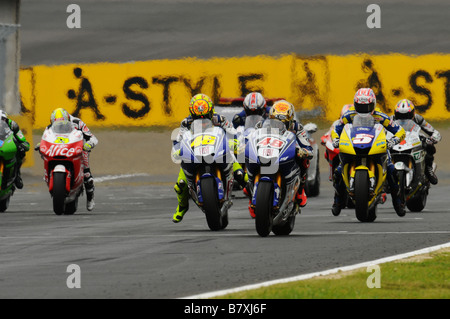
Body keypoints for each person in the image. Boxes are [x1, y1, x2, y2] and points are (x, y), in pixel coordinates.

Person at [331, 88, 406, 217]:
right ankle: (337, 201)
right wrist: (336, 139)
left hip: (377, 146)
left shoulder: (381, 116)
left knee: (392, 171)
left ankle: (397, 202)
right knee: (338, 172)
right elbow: (336, 128)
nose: (363, 109)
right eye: (360, 106)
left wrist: (393, 141)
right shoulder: (349, 115)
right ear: (355, 104)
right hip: (353, 146)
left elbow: (400, 131)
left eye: (367, 106)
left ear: (373, 104)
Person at [172, 93, 245, 223]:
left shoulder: (220, 119)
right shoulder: (186, 123)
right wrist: (177, 150)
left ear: (211, 112)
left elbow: (233, 133)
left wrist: (235, 143)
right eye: (197, 118)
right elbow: (178, 140)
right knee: (181, 184)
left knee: (240, 174)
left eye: (205, 117)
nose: (202, 121)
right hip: (195, 152)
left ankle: (258, 200)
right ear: (192, 114)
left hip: (218, 150)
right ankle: (182, 206)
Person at [245, 100, 313, 217]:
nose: (278, 125)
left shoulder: (297, 128)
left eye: (283, 122)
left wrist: (304, 151)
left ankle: (300, 189)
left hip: (288, 154)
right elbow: (252, 139)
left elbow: (307, 146)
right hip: (267, 152)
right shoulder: (261, 125)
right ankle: (251, 188)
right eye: (275, 121)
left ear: (290, 121)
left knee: (305, 160)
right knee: (248, 158)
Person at [49, 108, 98, 211]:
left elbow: (93, 138)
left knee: (87, 175)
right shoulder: (51, 126)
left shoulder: (78, 123)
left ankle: (90, 195)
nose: (60, 125)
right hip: (60, 148)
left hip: (79, 148)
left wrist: (89, 144)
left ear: (68, 119)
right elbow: (47, 137)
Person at [392, 99, 441, 185]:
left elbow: (434, 132)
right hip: (397, 141)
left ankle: (428, 169)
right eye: (400, 115)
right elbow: (381, 130)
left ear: (413, 113)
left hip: (412, 140)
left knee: (429, 146)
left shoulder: (418, 119)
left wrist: (432, 138)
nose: (403, 118)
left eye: (407, 115)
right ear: (395, 113)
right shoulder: (391, 120)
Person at [0, 110, 30, 189]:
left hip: (6, 145)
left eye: (3, 120)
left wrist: (24, 145)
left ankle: (17, 174)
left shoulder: (13, 125)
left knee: (20, 149)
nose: (1, 123)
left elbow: (22, 139)